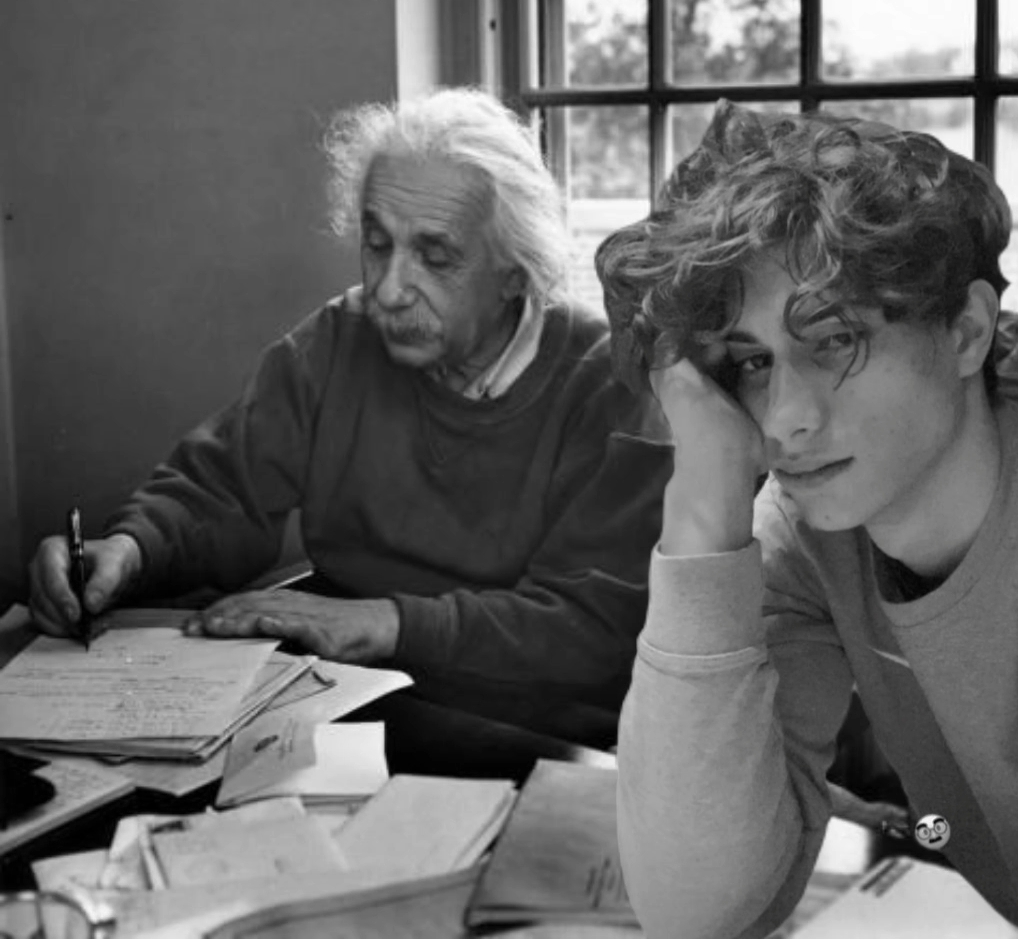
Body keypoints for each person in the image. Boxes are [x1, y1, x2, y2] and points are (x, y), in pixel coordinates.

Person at [28, 87, 672, 745]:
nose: (388, 290)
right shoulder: (340, 339)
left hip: (535, 730)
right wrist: (130, 551)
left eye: (435, 257)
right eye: (376, 244)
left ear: (515, 271)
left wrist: (384, 622)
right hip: (354, 702)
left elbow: (586, 624)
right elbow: (225, 490)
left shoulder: (608, 382)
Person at [596, 99, 1018, 939]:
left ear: (966, 332)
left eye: (835, 338)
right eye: (750, 363)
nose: (785, 420)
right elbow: (698, 908)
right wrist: (705, 507)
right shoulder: (809, 531)